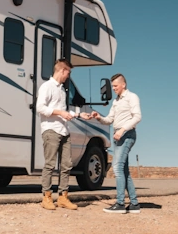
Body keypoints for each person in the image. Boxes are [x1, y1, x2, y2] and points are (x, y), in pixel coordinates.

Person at [88, 73, 142, 214]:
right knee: (124, 171)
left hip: (127, 134)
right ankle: (134, 204)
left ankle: (120, 203)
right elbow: (109, 119)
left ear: (123, 85)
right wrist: (99, 117)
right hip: (118, 136)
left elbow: (138, 117)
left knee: (117, 167)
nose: (113, 89)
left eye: (115, 86)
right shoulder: (116, 101)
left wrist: (123, 130)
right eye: (112, 86)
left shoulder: (132, 97)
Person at [36, 58, 78, 210]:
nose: (69, 76)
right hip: (51, 129)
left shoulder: (61, 90)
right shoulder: (47, 87)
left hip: (64, 130)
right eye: (68, 72)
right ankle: (46, 197)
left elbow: (63, 112)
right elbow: (40, 107)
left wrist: (78, 115)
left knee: (66, 164)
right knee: (50, 164)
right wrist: (60, 112)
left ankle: (63, 197)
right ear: (62, 71)